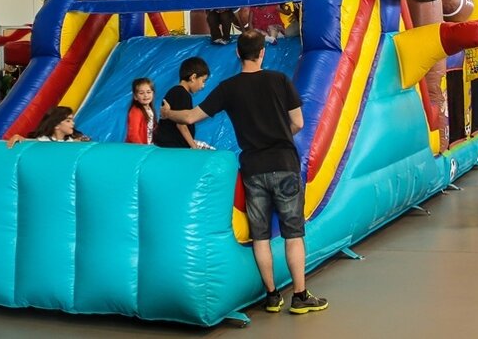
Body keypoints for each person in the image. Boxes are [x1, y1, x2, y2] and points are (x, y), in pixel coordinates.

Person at [160, 29, 327, 315]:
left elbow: (189, 117)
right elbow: (298, 122)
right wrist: (278, 133)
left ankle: (272, 296)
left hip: (253, 168)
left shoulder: (228, 87)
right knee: (293, 233)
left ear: (237, 53)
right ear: (262, 52)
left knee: (260, 236)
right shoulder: (279, 80)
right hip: (284, 164)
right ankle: (300, 296)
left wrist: (168, 115)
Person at [154, 58, 211, 149]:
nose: (203, 86)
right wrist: (193, 146)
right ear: (193, 77)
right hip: (173, 147)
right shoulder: (182, 94)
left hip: (168, 145)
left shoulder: (176, 91)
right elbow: (181, 124)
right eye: (203, 81)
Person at [6, 106, 87, 147]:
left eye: (72, 120)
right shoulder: (43, 141)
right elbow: (29, 142)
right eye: (68, 121)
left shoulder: (72, 142)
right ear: (56, 125)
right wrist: (20, 138)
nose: (73, 123)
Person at [126, 77, 156, 144]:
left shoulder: (149, 109)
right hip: (137, 149)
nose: (146, 95)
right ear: (135, 97)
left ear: (153, 93)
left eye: (148, 92)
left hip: (147, 146)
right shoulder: (136, 111)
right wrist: (141, 148)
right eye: (141, 93)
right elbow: (133, 134)